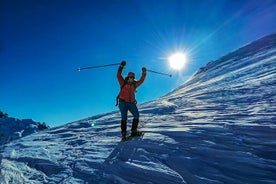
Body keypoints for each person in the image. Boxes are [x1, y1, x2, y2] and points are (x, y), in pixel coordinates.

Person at [117, 61, 146, 140]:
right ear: (128, 77)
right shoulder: (122, 82)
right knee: (124, 117)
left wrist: (144, 73)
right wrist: (121, 67)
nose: (131, 79)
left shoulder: (134, 84)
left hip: (131, 103)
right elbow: (118, 75)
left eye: (133, 78)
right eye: (130, 77)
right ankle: (123, 134)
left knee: (136, 115)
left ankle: (134, 131)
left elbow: (141, 81)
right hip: (123, 102)